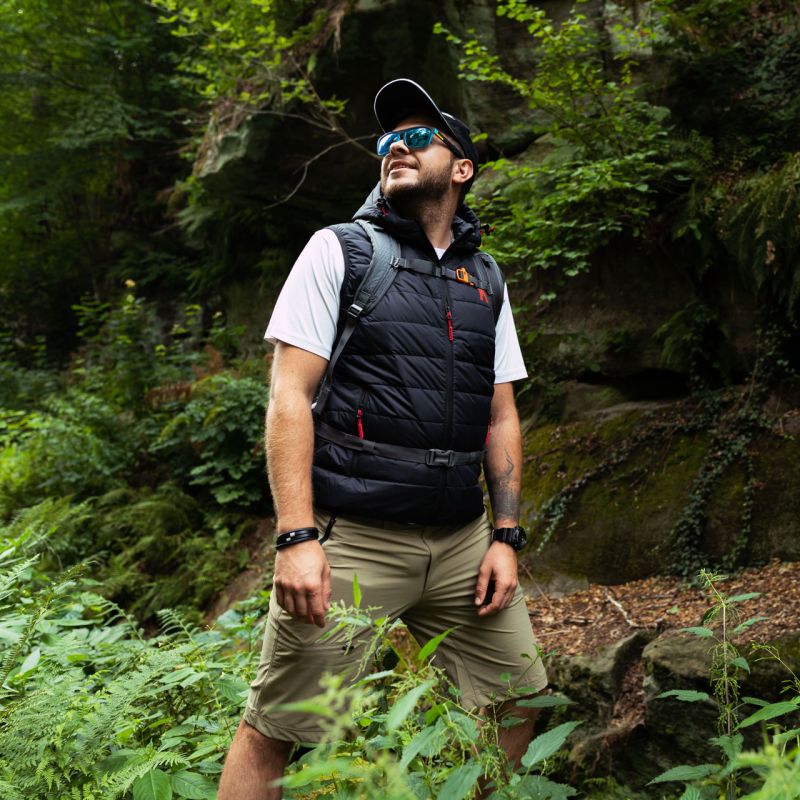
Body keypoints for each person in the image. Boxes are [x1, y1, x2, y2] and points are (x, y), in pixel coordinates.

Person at [218, 78, 547, 800]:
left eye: (418, 136)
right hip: (354, 539)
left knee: (521, 700)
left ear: (462, 168)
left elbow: (501, 415)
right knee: (279, 729)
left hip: (462, 542)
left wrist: (506, 536)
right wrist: (296, 537)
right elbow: (289, 397)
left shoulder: (486, 278)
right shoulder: (339, 252)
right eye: (388, 139)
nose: (397, 145)